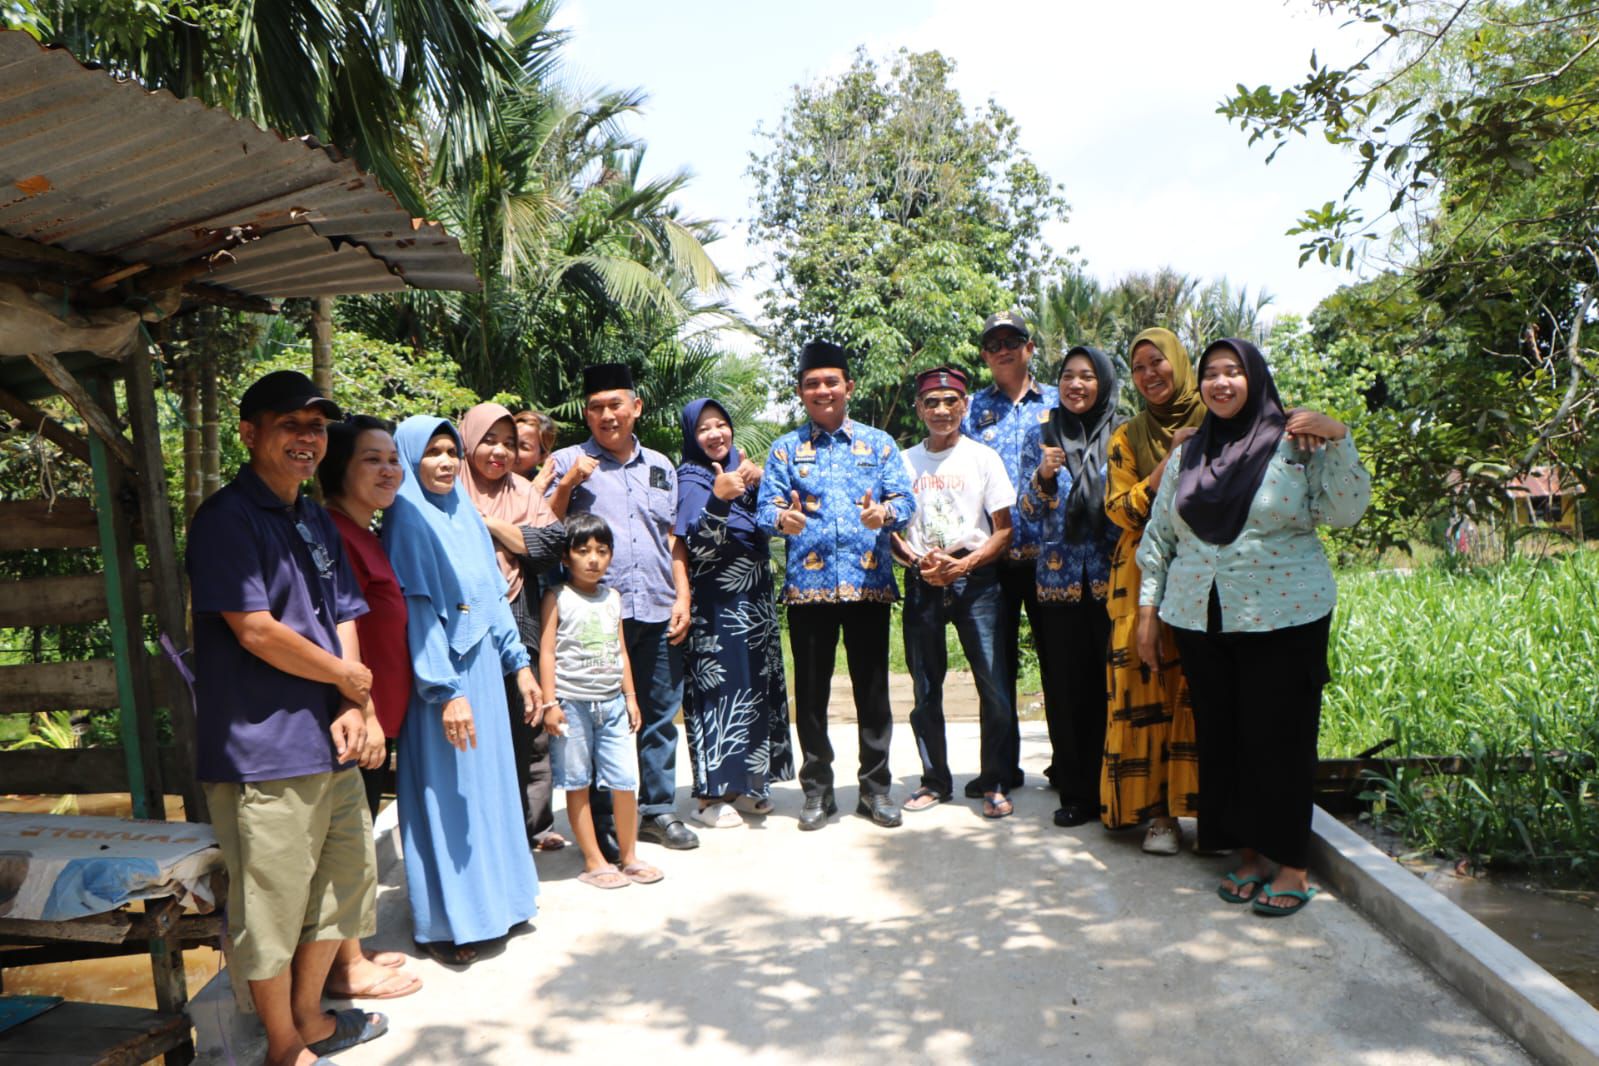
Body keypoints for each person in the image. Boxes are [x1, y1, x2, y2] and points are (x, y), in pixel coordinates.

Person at [187, 370, 387, 1066]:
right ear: (249, 435)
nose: (307, 438)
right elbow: (255, 629)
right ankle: (281, 1046)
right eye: (289, 424)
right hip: (262, 748)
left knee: (344, 882)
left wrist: (354, 704)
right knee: (268, 909)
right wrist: (345, 677)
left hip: (327, 739)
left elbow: (344, 612)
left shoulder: (309, 515)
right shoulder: (225, 520)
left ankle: (308, 1017)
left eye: (315, 426)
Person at [1137, 338, 1370, 917]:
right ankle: (1247, 853)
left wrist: (1339, 436)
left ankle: (1290, 862)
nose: (1220, 383)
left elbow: (1344, 512)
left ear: (1254, 379)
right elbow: (1160, 538)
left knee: (1281, 740)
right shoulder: (1191, 451)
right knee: (1225, 740)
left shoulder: (1300, 443)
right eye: (1211, 374)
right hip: (1200, 615)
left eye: (1233, 372)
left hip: (1285, 613)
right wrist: (1148, 611)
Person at [382, 416, 541, 964]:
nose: (447, 462)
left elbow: (492, 597)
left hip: (485, 678)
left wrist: (519, 666)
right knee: (449, 796)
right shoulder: (406, 519)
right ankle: (453, 924)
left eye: (452, 451)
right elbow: (420, 613)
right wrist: (445, 691)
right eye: (433, 453)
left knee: (490, 788)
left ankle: (503, 903)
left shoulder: (465, 515)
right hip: (442, 685)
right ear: (409, 460)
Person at [758, 340, 916, 830]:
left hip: (869, 585)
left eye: (831, 381)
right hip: (809, 590)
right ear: (802, 392)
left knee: (874, 693)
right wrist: (783, 519)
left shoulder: (880, 444)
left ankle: (875, 790)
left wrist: (883, 513)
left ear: (848, 385)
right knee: (811, 695)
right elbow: (765, 510)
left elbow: (906, 500)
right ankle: (817, 792)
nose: (822, 391)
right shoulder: (786, 448)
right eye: (812, 384)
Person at [543, 364, 698, 853]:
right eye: (596, 407)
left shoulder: (660, 465)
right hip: (592, 613)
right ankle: (605, 817)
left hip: (655, 604)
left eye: (616, 405)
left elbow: (673, 538)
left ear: (636, 407)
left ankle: (655, 810)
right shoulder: (566, 460)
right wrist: (567, 483)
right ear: (585, 413)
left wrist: (683, 595)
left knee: (657, 712)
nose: (607, 415)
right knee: (597, 716)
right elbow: (541, 529)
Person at [318, 415, 423, 1000]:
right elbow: (340, 630)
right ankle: (345, 968)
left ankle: (350, 952)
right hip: (359, 719)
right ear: (340, 467)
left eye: (392, 459)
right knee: (348, 841)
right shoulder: (335, 533)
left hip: (379, 716)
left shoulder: (366, 532)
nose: (389, 470)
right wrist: (369, 710)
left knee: (357, 835)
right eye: (371, 459)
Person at [893, 366, 1018, 818]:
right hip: (923, 579)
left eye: (951, 401)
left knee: (994, 686)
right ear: (919, 409)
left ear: (965, 406)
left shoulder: (983, 459)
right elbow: (890, 528)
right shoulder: (903, 461)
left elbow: (1003, 531)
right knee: (926, 687)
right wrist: (917, 562)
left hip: (976, 581)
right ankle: (934, 780)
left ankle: (994, 779)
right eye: (932, 402)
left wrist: (963, 564)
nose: (942, 410)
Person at [1101, 328, 1206, 853]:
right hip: (1138, 575)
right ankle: (1160, 816)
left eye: (1156, 362)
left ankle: (1209, 809)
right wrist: (1166, 467)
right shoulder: (1128, 436)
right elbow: (1119, 510)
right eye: (1138, 367)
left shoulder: (1219, 419)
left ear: (1179, 362)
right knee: (1144, 689)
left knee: (1198, 687)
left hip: (1210, 573)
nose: (1148, 375)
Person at [676, 398, 795, 827]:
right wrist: (719, 499)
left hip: (755, 599)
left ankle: (747, 784)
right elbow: (697, 549)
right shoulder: (689, 479)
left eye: (721, 425)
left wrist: (761, 484)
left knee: (753, 687)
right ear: (692, 435)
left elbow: (771, 525)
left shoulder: (744, 471)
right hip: (715, 602)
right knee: (718, 694)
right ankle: (710, 798)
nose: (715, 434)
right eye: (704, 428)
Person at [1019, 345, 1124, 827]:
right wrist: (1044, 477)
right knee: (1065, 688)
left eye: (1087, 376)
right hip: (1058, 583)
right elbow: (1026, 512)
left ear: (1102, 382)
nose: (1076, 385)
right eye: (1067, 376)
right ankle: (1078, 792)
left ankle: (1114, 788)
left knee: (1111, 687)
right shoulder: (1041, 434)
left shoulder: (1123, 432)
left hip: (1111, 581)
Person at [460, 403, 568, 852]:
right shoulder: (446, 486)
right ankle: (482, 831)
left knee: (528, 726)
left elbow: (550, 545)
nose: (500, 451)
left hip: (516, 611)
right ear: (469, 438)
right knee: (475, 731)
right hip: (461, 621)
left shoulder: (523, 491)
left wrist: (491, 526)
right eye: (490, 440)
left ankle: (535, 825)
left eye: (509, 443)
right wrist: (517, 537)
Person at [962, 310, 1058, 799]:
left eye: (1012, 340)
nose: (1003, 349)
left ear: (1029, 347)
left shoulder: (1060, 403)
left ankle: (1069, 767)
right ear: (984, 355)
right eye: (993, 343)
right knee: (994, 669)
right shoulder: (971, 410)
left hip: (1054, 559)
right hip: (994, 560)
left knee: (1059, 665)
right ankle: (999, 768)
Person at [538, 514, 665, 888]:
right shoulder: (557, 596)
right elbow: (547, 653)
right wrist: (550, 703)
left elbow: (621, 650)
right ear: (566, 556)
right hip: (572, 704)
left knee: (624, 780)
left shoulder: (613, 598)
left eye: (601, 551)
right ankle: (594, 861)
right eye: (583, 551)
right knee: (577, 781)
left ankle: (629, 856)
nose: (593, 559)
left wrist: (630, 696)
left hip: (611, 703)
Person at [512, 409, 557, 481]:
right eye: (509, 442)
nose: (512, 451)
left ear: (542, 457)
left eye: (524, 447)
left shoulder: (548, 489)